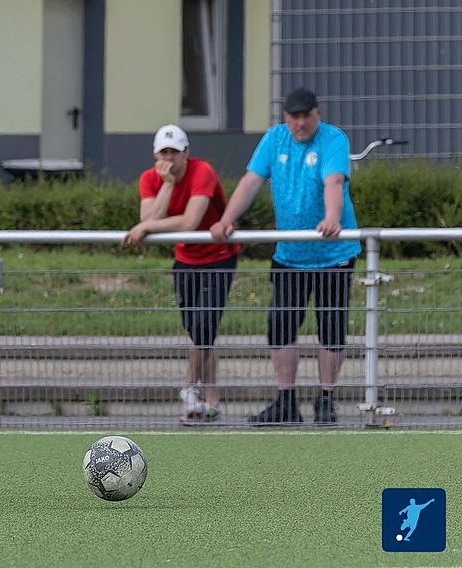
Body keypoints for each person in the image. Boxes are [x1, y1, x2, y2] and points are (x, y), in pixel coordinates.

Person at [210, 87, 361, 425]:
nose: (301, 122)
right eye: (294, 116)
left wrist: (332, 218)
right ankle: (285, 401)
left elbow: (333, 181)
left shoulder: (333, 139)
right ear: (285, 117)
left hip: (333, 255)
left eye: (307, 115)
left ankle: (326, 399)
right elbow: (251, 181)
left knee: (331, 326)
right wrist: (226, 219)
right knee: (280, 326)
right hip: (290, 255)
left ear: (317, 113)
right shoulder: (275, 139)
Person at [123, 124, 239, 425]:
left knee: (203, 326)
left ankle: (191, 389)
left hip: (218, 258)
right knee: (198, 331)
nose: (170, 159)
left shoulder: (203, 172)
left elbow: (189, 221)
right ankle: (210, 401)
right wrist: (168, 185)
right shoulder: (150, 179)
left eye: (175, 152)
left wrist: (146, 228)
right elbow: (148, 217)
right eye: (164, 152)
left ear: (187, 153)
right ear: (155, 155)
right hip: (185, 260)